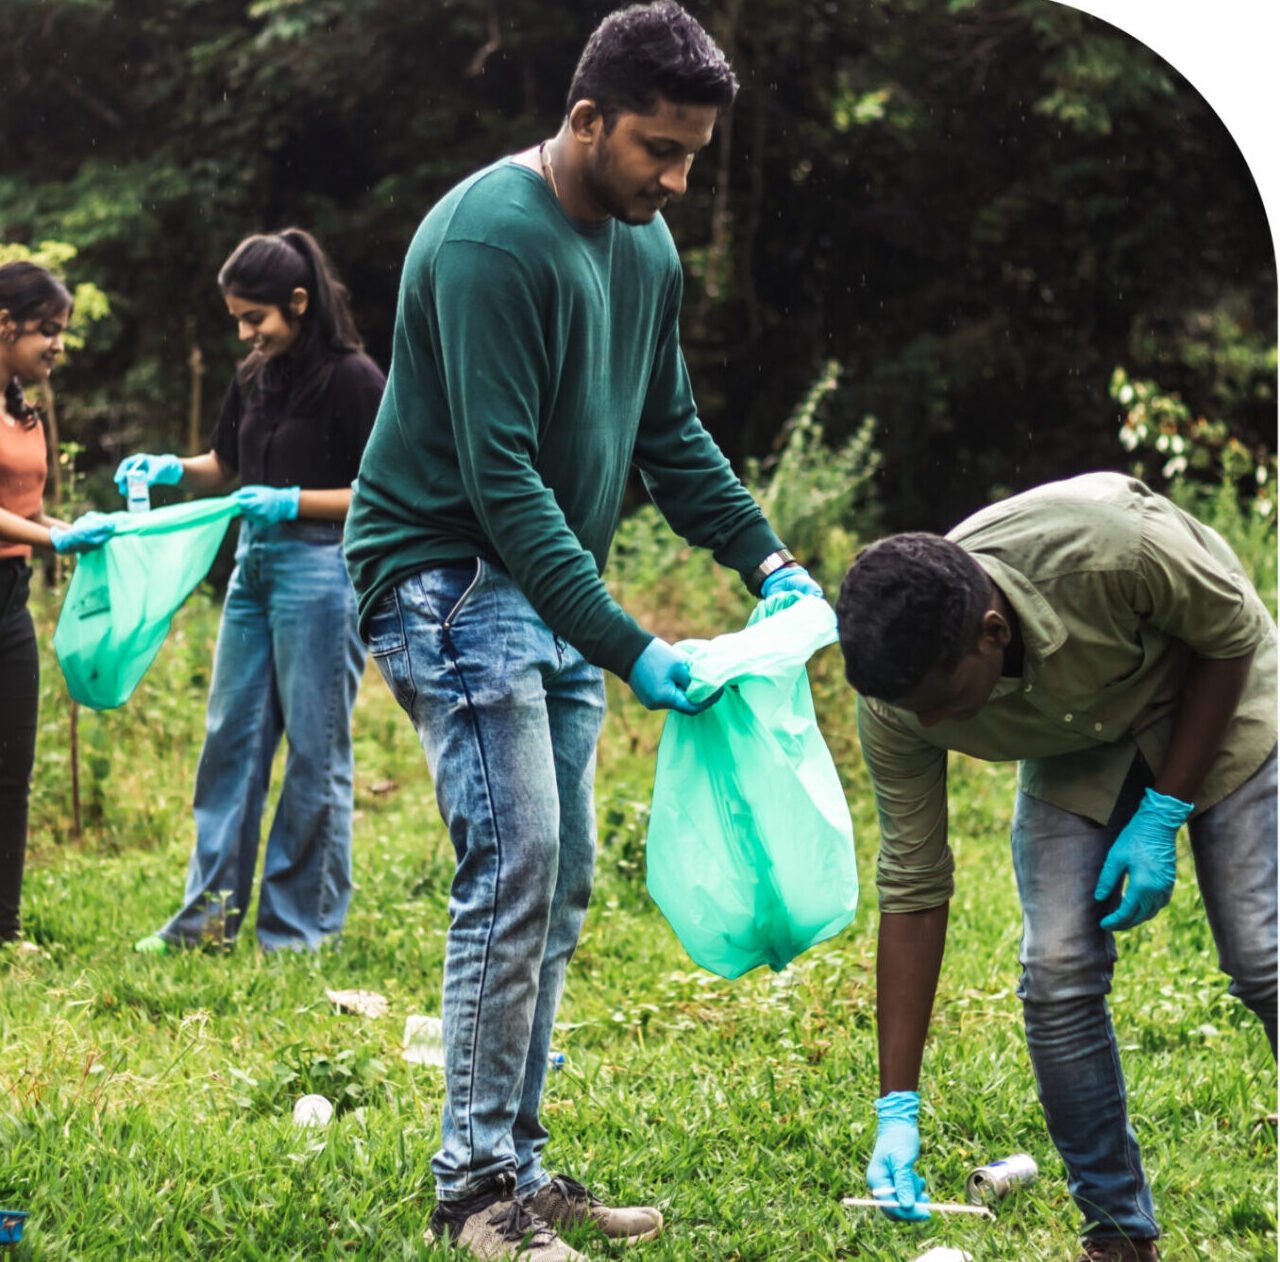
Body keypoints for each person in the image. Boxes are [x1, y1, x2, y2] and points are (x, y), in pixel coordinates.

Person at [344, 3, 822, 1257]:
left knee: (557, 883)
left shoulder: (642, 248)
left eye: (693, 158)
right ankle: (471, 1197)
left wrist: (768, 558)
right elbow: (502, 482)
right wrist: (630, 642)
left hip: (542, 587)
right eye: (659, 150)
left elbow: (668, 433)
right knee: (515, 870)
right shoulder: (489, 242)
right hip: (447, 576)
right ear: (586, 118)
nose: (675, 181)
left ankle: (517, 1162)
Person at [834, 472, 1276, 1262]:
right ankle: (1117, 1233)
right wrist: (896, 1103)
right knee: (1057, 965)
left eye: (944, 700)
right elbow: (913, 883)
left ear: (993, 633)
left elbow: (1232, 635)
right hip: (1076, 743)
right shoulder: (900, 700)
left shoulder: (1116, 548)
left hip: (1215, 686)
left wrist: (1164, 810)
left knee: (1261, 952)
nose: (930, 723)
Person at [120, 229, 385, 954]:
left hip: (322, 572)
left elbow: (381, 494)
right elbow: (224, 462)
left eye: (254, 318)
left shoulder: (355, 379)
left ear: (298, 303)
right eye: (238, 319)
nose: (245, 333)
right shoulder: (253, 376)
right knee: (229, 745)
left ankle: (298, 929)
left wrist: (293, 501)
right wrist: (170, 468)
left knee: (314, 752)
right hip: (253, 568)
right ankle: (204, 923)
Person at [1, 261, 116, 943]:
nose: (58, 345)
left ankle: (5, 928)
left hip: (10, 604)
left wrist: (76, 530)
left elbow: (28, 512)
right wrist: (54, 541)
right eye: (47, 330)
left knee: (12, 769)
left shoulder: (25, 413)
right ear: (5, 324)